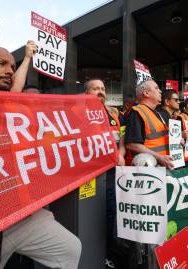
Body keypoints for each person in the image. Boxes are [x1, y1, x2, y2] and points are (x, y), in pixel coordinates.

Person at [0, 47, 82, 269]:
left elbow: (17, 85)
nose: (10, 71)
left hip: (18, 215)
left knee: (70, 249)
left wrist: (28, 57)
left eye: (12, 66)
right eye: (2, 64)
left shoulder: (10, 107)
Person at [83, 78, 125, 268]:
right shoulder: (78, 112)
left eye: (102, 88)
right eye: (95, 88)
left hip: (112, 173)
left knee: (111, 213)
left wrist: (121, 155)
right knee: (93, 216)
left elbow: (121, 141)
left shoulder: (112, 114)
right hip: (91, 176)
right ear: (86, 93)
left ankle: (108, 252)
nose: (100, 91)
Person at [124, 80, 173, 169]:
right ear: (146, 93)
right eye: (156, 88)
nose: (160, 91)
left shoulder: (157, 113)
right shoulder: (137, 112)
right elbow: (132, 144)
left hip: (162, 166)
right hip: (149, 169)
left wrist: (175, 142)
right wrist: (159, 158)